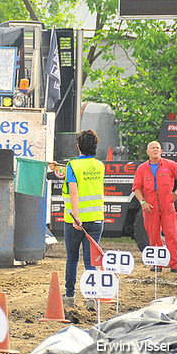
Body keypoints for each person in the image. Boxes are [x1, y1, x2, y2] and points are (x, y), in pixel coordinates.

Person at [61, 129, 105, 310]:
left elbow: (74, 191)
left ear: (78, 146)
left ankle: (70, 296)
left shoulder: (72, 165)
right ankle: (91, 298)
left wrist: (76, 216)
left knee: (72, 259)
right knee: (90, 262)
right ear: (95, 147)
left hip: (75, 221)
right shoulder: (100, 166)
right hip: (96, 220)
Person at [132, 140, 177, 272]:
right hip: (150, 207)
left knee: (171, 234)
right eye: (152, 148)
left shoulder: (170, 165)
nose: (155, 150)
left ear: (161, 151)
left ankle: (174, 264)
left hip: (167, 205)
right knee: (153, 235)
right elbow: (136, 188)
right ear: (148, 152)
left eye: (157, 148)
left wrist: (175, 194)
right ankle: (158, 263)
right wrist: (142, 202)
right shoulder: (142, 168)